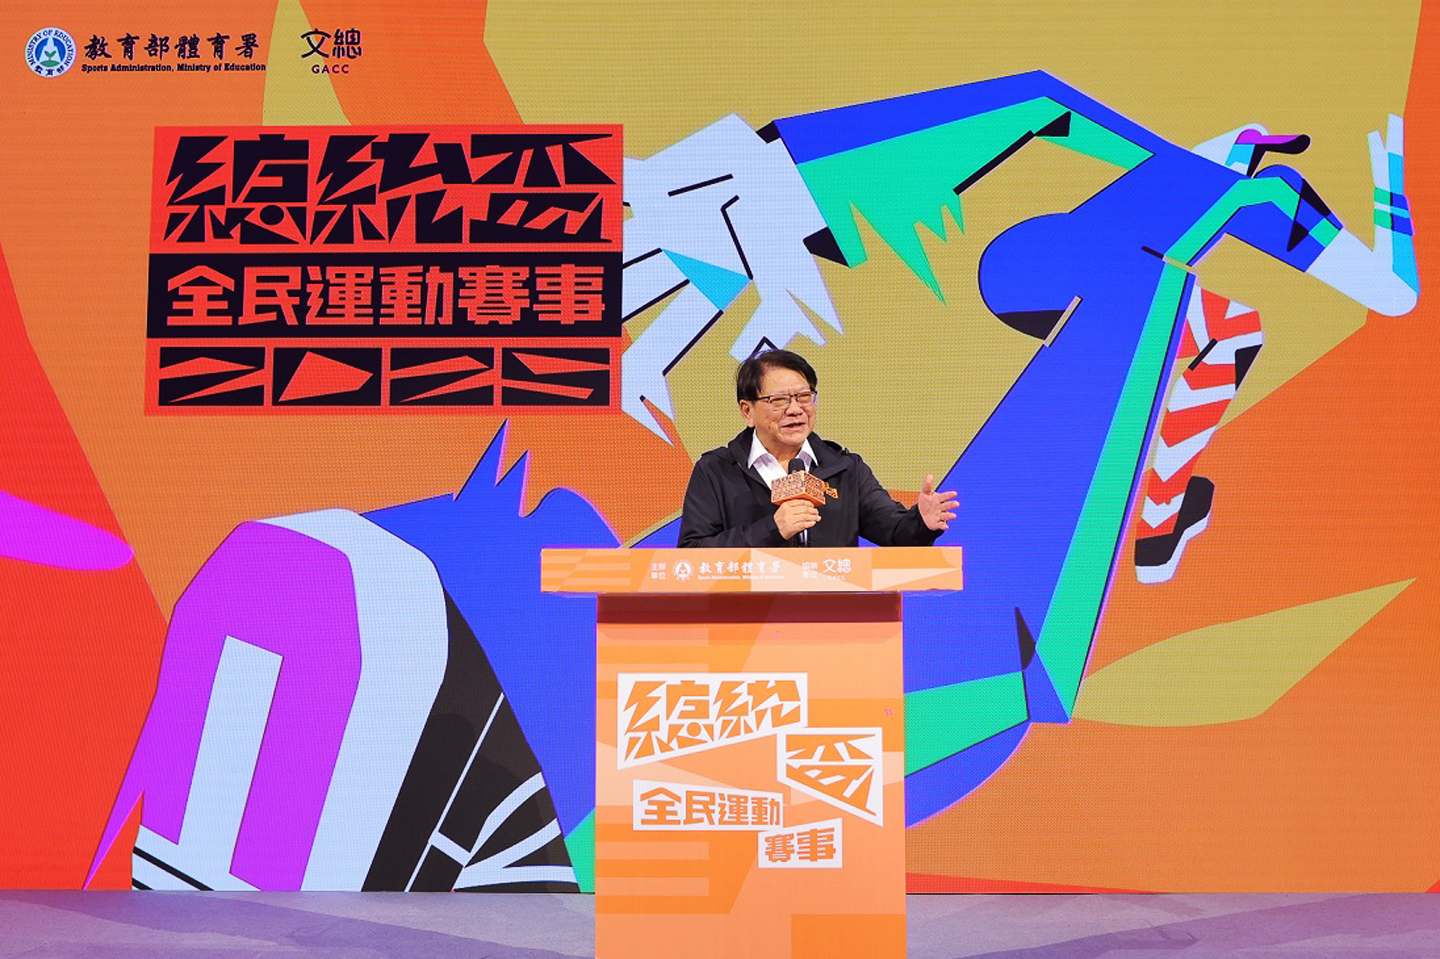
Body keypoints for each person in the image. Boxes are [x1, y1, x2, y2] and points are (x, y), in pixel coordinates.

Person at [677, 349, 957, 548]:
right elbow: (692, 555)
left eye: (804, 397)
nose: (795, 409)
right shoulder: (716, 471)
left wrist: (921, 522)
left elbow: (894, 531)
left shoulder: (844, 469)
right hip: (748, 613)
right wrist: (772, 529)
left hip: (830, 612)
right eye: (779, 400)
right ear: (747, 411)